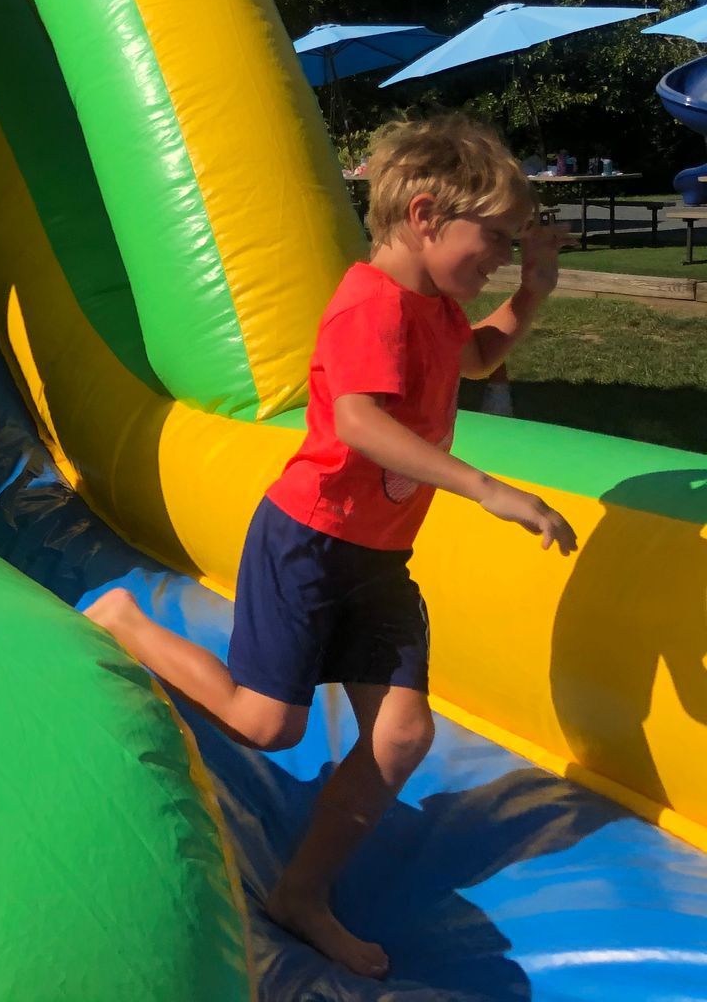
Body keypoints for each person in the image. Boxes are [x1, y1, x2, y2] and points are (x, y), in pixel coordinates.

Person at [85, 114, 576, 978]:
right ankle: (126, 622)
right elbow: (358, 419)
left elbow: (478, 360)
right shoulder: (369, 303)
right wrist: (486, 488)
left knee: (399, 739)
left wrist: (533, 290)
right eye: (493, 238)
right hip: (309, 542)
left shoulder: (431, 307)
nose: (498, 255)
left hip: (378, 560)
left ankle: (300, 893)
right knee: (267, 724)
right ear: (426, 215)